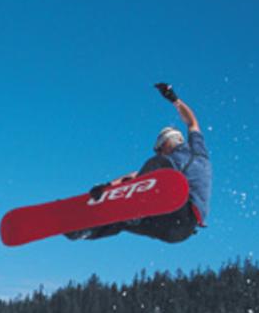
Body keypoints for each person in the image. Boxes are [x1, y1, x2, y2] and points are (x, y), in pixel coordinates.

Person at [67, 83, 211, 243]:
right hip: (175, 231)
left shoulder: (192, 151)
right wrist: (108, 187)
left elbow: (192, 122)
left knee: (157, 166)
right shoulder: (191, 154)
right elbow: (139, 176)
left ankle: (135, 204)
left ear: (166, 142)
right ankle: (81, 230)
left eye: (159, 149)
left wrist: (175, 100)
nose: (159, 153)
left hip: (185, 213)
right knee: (121, 219)